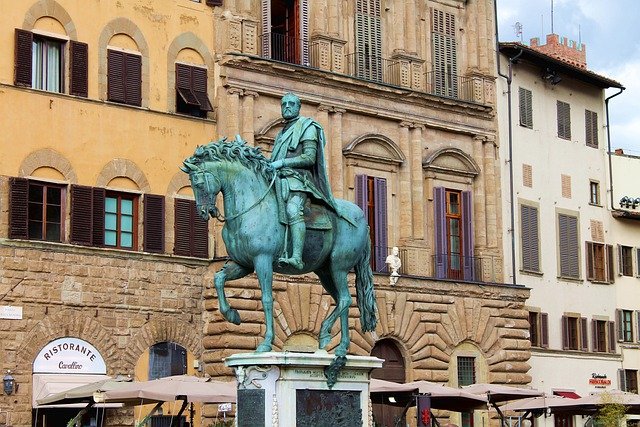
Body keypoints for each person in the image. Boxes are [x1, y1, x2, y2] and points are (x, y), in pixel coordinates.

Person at [270, 93, 340, 269]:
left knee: (293, 210)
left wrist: (283, 163)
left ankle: (297, 257)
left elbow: (309, 158)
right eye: (283, 103)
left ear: (298, 107)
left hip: (299, 181)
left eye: (291, 104)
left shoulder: (308, 127)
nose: (286, 106)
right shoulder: (281, 133)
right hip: (278, 179)